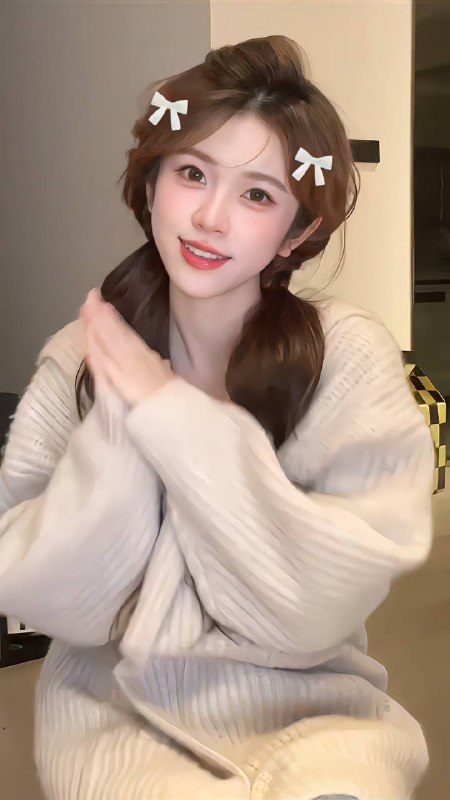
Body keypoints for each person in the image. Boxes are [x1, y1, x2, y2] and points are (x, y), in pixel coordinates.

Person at [0, 35, 435, 800]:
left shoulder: (347, 353)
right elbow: (39, 592)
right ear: (151, 184)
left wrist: (174, 418)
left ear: (297, 230)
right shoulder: (81, 355)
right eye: (192, 173)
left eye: (257, 195)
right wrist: (121, 431)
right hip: (119, 718)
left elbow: (314, 608)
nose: (209, 217)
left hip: (320, 714)